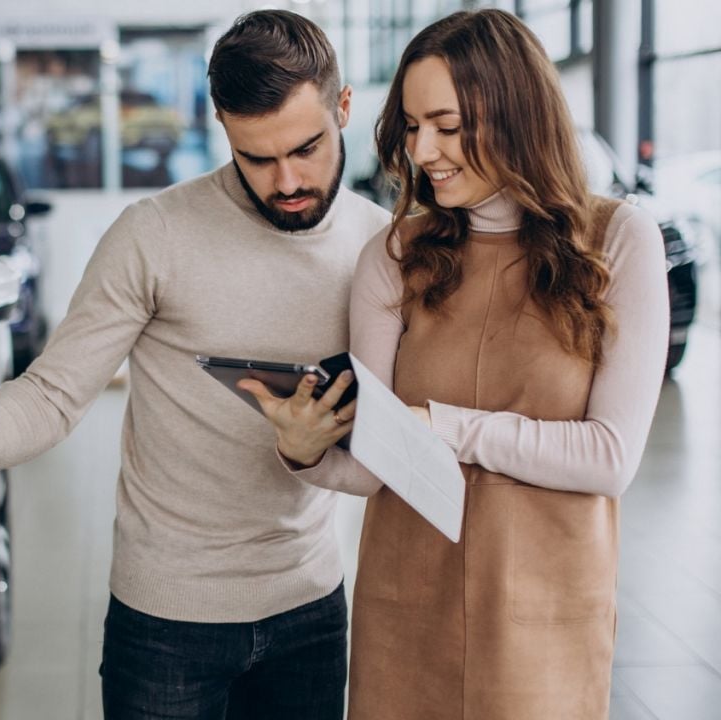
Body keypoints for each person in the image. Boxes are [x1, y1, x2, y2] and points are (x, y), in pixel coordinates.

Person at [0, 10, 389, 719]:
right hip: (167, 621)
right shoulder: (153, 235)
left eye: (306, 148)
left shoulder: (381, 247)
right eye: (256, 158)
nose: (286, 181)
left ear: (344, 108)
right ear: (221, 127)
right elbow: (53, 395)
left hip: (311, 608)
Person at [241, 9, 668, 719]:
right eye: (411, 127)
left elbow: (609, 458)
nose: (424, 150)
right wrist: (304, 449)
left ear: (516, 114)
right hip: (406, 608)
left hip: (545, 622)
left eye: (447, 124)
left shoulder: (619, 241)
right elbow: (374, 461)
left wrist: (442, 425)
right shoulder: (395, 255)